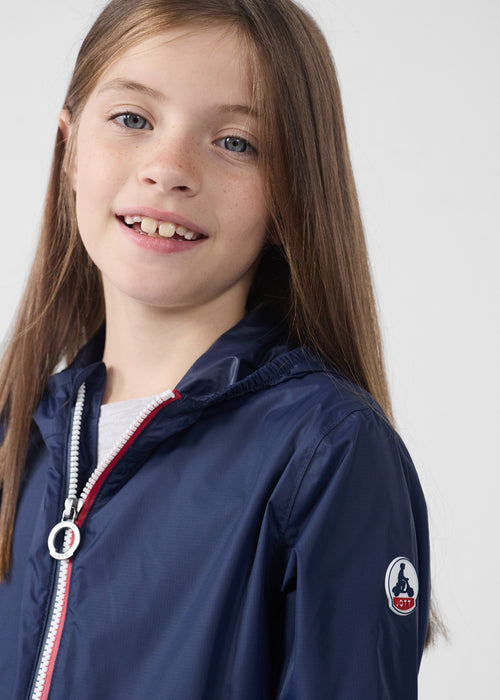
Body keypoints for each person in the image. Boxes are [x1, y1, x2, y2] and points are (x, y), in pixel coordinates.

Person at [0, 0, 431, 697]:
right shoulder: (16, 437)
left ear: (291, 194)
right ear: (69, 149)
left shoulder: (328, 451)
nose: (168, 168)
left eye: (235, 142)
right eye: (133, 119)